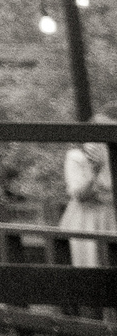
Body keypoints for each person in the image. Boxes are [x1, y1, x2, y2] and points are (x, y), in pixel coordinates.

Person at [61, 111, 115, 268]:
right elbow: (80, 195)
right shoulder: (76, 156)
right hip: (86, 221)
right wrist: (95, 171)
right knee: (90, 266)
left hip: (110, 218)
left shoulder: (113, 155)